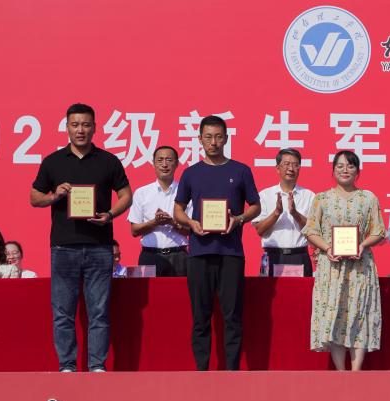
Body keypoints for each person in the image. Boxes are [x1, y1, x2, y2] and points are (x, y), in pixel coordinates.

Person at [30, 103, 132, 372]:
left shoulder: (108, 161)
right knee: (62, 313)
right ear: (67, 127)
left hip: (99, 246)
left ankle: (97, 366)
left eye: (86, 125)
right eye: (75, 125)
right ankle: (67, 366)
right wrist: (55, 196)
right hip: (63, 247)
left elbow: (126, 195)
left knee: (99, 312)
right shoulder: (53, 161)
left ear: (95, 127)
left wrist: (110, 214)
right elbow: (34, 198)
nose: (80, 130)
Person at [174, 115, 261, 371]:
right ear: (200, 139)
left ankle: (231, 372)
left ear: (226, 139)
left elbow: (255, 206)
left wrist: (239, 219)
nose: (213, 142)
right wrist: (191, 223)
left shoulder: (241, 170)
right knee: (200, 316)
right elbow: (178, 209)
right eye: (208, 137)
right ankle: (202, 371)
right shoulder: (191, 173)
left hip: (231, 253)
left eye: (218, 137)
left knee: (232, 316)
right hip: (199, 253)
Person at [302, 151, 386, 371]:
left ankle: (356, 373)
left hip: (360, 268)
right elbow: (311, 231)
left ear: (358, 171)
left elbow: (379, 231)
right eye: (340, 166)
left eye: (350, 166)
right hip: (331, 268)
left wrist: (363, 245)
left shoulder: (368, 198)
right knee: (335, 316)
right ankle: (341, 372)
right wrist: (327, 248)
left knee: (359, 315)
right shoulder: (321, 199)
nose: (345, 170)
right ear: (333, 170)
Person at [128, 146, 190, 277]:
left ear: (177, 163)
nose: (164, 164)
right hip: (149, 256)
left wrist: (172, 222)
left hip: (179, 256)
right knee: (146, 291)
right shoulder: (142, 193)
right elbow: (134, 231)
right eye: (160, 160)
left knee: (181, 291)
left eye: (169, 160)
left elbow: (190, 230)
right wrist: (155, 222)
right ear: (153, 163)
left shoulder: (186, 192)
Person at [252, 148, 314, 276]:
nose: (291, 168)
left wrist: (295, 213)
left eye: (295, 165)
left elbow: (313, 229)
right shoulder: (265, 195)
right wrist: (276, 213)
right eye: (286, 164)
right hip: (272, 256)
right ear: (277, 168)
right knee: (269, 290)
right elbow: (259, 230)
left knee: (301, 290)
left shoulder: (309, 196)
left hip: (299, 256)